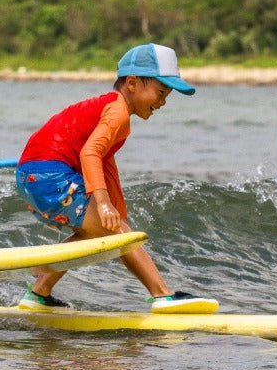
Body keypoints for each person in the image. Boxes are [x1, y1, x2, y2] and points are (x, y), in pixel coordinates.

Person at [14, 43, 217, 314]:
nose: (163, 102)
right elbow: (91, 153)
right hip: (50, 174)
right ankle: (163, 295)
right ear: (132, 83)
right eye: (160, 92)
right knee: (119, 233)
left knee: (99, 233)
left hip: (32, 177)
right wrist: (106, 206)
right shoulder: (117, 111)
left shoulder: (108, 111)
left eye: (167, 95)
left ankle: (39, 293)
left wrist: (117, 214)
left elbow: (104, 164)